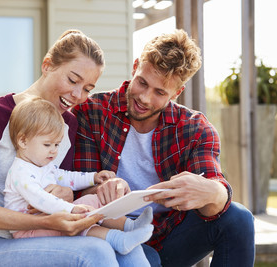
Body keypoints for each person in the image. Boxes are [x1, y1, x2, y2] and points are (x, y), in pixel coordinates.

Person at [0, 29, 143, 267]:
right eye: (72, 80)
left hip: (45, 235)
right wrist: (47, 222)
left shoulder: (68, 124)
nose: (77, 95)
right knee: (95, 252)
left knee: (131, 251)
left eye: (87, 88)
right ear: (47, 65)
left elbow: (59, 185)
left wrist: (92, 188)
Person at [72, 29, 255, 267]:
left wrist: (211, 191)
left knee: (239, 218)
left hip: (171, 234)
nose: (145, 98)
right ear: (136, 66)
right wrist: (101, 188)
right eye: (142, 83)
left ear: (177, 92)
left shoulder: (194, 129)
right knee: (147, 259)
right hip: (111, 234)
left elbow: (216, 200)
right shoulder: (91, 112)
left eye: (160, 92)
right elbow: (77, 191)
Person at [3, 96, 153, 264]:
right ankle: (118, 239)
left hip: (48, 218)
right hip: (28, 231)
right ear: (23, 141)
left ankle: (129, 226)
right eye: (47, 145)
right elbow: (40, 199)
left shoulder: (43, 164)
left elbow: (66, 177)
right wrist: (71, 210)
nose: (53, 151)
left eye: (56, 145)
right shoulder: (20, 172)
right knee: (79, 221)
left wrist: (93, 177)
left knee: (93, 199)